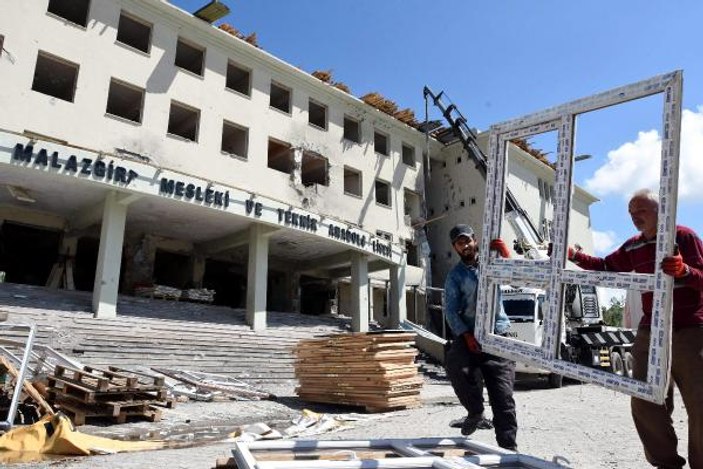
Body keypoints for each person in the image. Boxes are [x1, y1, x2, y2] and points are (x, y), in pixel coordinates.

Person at [566, 188, 703, 469]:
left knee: (700, 404)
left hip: (690, 330)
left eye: (640, 210)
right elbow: (606, 266)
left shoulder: (684, 236)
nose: (633, 217)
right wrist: (573, 255)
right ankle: (666, 463)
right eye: (630, 212)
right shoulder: (633, 246)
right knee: (644, 400)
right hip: (652, 330)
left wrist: (684, 271)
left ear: (660, 210)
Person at [444, 223, 518, 451]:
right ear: (455, 247)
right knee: (455, 365)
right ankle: (475, 412)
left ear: (475, 240)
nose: (465, 245)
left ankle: (508, 451)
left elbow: (516, 277)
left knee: (503, 396)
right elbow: (450, 310)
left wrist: (506, 256)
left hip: (497, 334)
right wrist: (466, 336)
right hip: (470, 335)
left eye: (467, 240)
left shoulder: (492, 263)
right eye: (459, 243)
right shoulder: (455, 276)